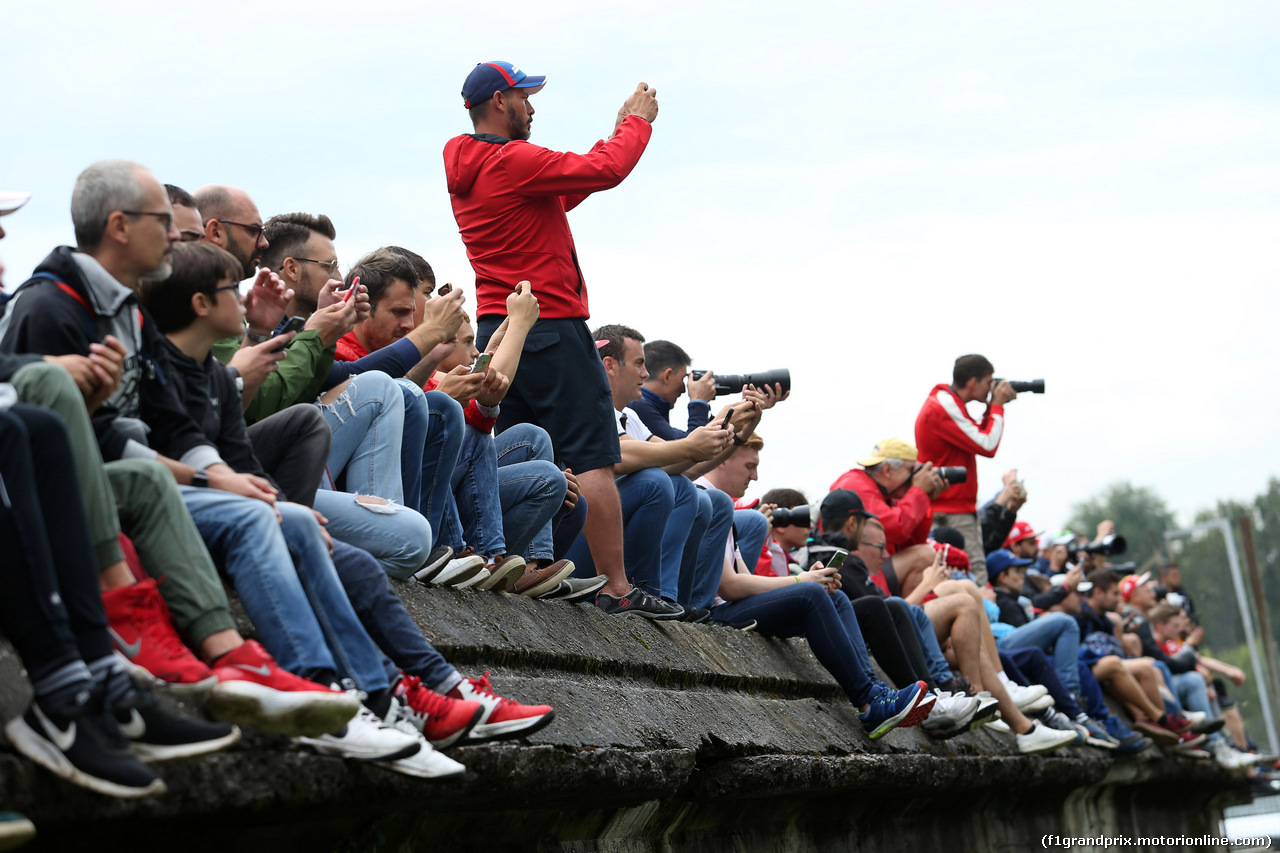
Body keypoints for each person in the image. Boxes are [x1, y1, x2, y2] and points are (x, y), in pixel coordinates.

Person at [446, 60, 658, 607]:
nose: (532, 107)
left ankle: (531, 566)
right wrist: (635, 125)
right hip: (550, 322)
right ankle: (617, 589)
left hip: (502, 329)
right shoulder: (512, 159)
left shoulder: (476, 168)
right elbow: (605, 170)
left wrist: (608, 140)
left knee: (527, 452)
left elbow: (562, 189)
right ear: (500, 101)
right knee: (591, 458)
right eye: (524, 97)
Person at [915, 354, 1017, 585]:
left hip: (944, 506)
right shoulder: (944, 405)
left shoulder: (945, 403)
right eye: (988, 381)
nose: (991, 386)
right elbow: (987, 444)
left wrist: (991, 407)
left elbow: (972, 437)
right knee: (975, 575)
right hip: (953, 509)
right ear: (973, 382)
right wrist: (998, 407)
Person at [829, 438, 946, 598]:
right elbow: (897, 529)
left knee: (927, 563)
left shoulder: (888, 493)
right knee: (925, 556)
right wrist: (919, 492)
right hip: (854, 574)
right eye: (911, 469)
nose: (915, 476)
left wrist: (926, 498)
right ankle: (909, 615)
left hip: (873, 569)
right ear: (887, 470)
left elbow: (912, 543)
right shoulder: (855, 485)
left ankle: (914, 615)